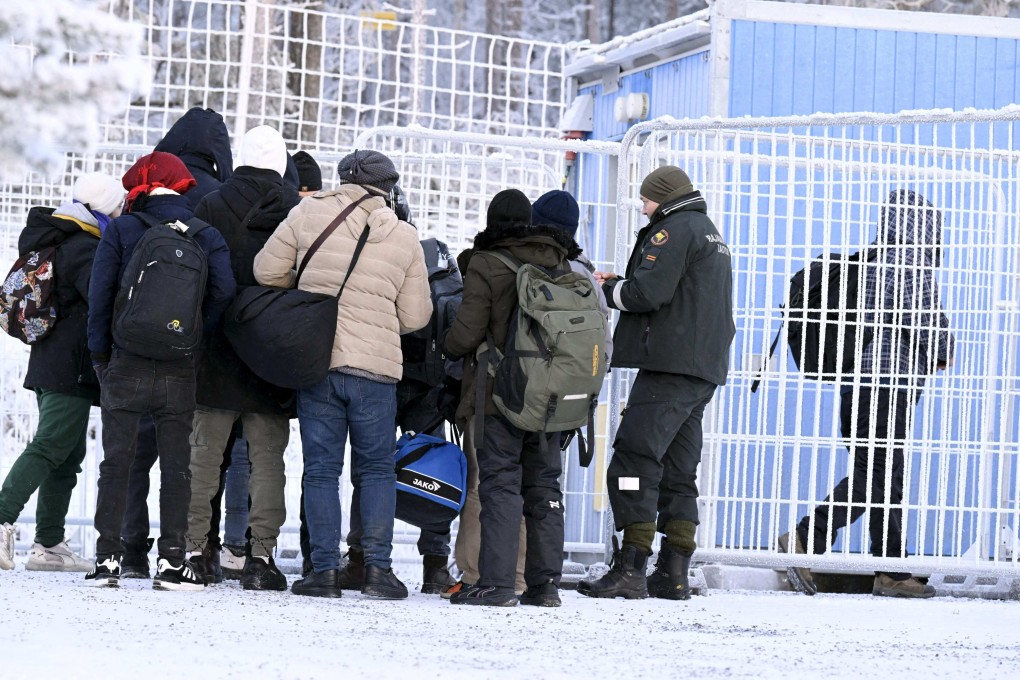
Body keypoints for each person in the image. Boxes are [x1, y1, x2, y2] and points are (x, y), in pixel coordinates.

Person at [254, 149, 431, 599]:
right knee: (375, 471)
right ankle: (377, 571)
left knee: (321, 470)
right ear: (387, 187)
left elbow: (265, 271)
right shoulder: (405, 236)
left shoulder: (307, 212)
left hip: (320, 361)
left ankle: (325, 572)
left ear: (343, 177)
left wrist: (308, 288)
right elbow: (416, 316)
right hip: (376, 369)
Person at [778, 189, 954, 599]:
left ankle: (890, 568)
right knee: (877, 476)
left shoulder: (874, 256)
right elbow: (926, 319)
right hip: (887, 383)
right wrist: (944, 350)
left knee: (882, 474)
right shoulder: (909, 260)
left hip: (857, 381)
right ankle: (808, 536)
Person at [578, 165, 734, 601]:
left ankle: (631, 567)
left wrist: (604, 290)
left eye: (646, 200)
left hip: (670, 365)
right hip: (702, 368)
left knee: (634, 460)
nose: (643, 207)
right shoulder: (708, 231)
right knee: (679, 469)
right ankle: (675, 571)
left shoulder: (673, 230)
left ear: (663, 197)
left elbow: (648, 294)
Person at [85, 151, 236, 591]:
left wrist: (102, 355)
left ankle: (109, 560)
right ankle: (172, 562)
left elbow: (100, 296)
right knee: (176, 467)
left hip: (125, 359)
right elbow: (223, 290)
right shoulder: (205, 233)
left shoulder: (125, 229)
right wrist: (190, 335)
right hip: (179, 365)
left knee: (117, 463)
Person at [444, 189, 580, 608]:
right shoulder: (558, 262)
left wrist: (446, 345)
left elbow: (466, 334)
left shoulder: (487, 263)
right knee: (543, 487)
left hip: (500, 396)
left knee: (499, 484)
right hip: (550, 396)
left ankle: (496, 583)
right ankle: (544, 586)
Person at [121, 106, 236, 578]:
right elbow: (227, 280)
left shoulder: (145, 197)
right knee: (194, 453)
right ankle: (193, 548)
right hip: (196, 347)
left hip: (138, 341)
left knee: (136, 449)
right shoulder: (220, 199)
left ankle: (129, 549)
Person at [185, 125, 300, 591]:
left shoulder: (210, 203)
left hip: (215, 349)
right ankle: (260, 557)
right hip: (272, 353)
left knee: (204, 457)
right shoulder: (296, 209)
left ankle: (193, 552)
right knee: (268, 459)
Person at [0, 174, 124, 573]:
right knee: (52, 444)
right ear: (104, 210)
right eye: (118, 207)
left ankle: (49, 544)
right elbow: (101, 300)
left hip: (51, 362)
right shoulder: (85, 247)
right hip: (69, 366)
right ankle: (3, 515)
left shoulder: (56, 238)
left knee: (68, 453)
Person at [338, 234, 458, 595]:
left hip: (386, 377)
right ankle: (435, 566)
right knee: (435, 471)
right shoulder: (448, 277)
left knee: (370, 467)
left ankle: (361, 558)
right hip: (431, 390)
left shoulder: (387, 260)